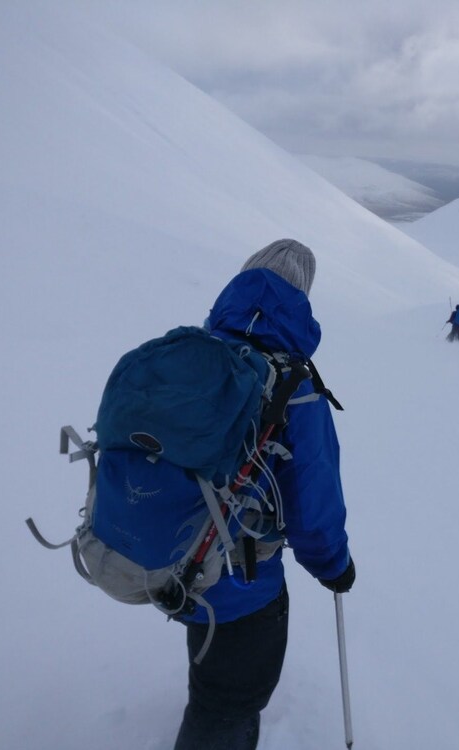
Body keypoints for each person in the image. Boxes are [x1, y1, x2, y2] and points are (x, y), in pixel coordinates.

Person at [174, 239, 355, 750]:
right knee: (227, 707)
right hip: (243, 582)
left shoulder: (192, 356)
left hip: (175, 557)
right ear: (301, 296)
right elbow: (313, 508)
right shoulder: (295, 388)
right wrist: (335, 567)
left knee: (210, 679)